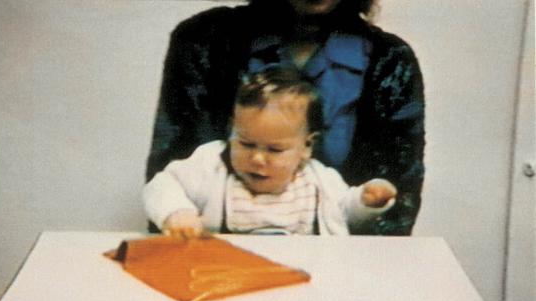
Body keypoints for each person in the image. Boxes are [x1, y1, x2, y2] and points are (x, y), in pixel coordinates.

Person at [146, 0, 425, 235]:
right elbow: (168, 177)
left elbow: (394, 203)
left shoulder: (389, 60)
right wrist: (179, 221)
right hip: (215, 264)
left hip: (336, 272)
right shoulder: (204, 40)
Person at [143, 68, 397, 238]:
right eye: (246, 144)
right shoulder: (212, 166)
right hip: (222, 273)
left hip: (304, 277)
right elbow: (162, 184)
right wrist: (176, 212)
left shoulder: (320, 180)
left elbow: (343, 212)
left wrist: (366, 201)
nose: (257, 158)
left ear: (307, 146)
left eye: (275, 149)